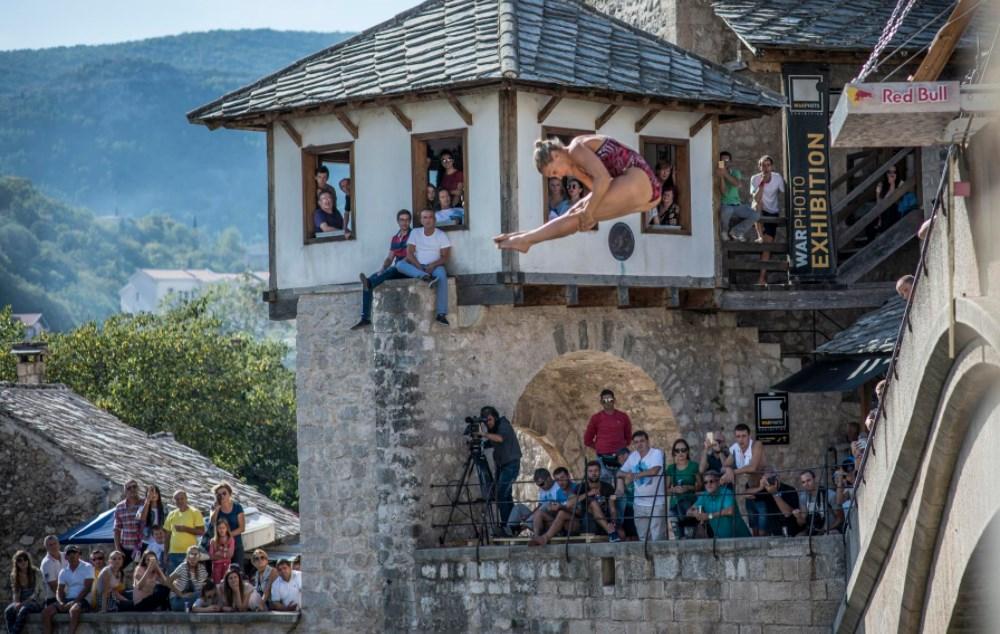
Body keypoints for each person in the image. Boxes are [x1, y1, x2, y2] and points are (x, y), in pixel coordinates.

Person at [494, 135, 661, 252]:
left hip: (641, 179)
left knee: (581, 213)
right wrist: (589, 214)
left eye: (554, 171)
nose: (558, 177)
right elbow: (599, 192)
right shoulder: (575, 168)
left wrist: (589, 213)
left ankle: (527, 240)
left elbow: (603, 180)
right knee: (575, 213)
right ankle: (525, 237)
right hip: (641, 195)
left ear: (556, 155)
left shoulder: (575, 148)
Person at [352, 209, 413, 330]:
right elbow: (390, 257)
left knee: (391, 270)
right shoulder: (395, 238)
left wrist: (396, 266)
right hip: (396, 268)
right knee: (372, 277)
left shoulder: (413, 235)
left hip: (407, 268)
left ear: (410, 221)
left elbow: (411, 255)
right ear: (398, 221)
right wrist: (383, 268)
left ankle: (370, 283)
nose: (404, 222)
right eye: (402, 220)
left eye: (407, 220)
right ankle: (365, 318)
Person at [395, 209, 451, 326]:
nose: (427, 220)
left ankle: (441, 314)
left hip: (435, 266)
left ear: (434, 220)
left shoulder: (441, 235)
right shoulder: (415, 232)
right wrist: (419, 267)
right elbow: (409, 254)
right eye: (424, 217)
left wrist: (433, 265)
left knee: (442, 274)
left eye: (430, 217)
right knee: (400, 264)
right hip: (418, 266)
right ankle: (424, 277)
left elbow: (445, 257)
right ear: (421, 220)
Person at [478, 406, 522, 532]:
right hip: (502, 466)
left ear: (495, 417)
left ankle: (506, 526)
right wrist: (479, 443)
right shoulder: (495, 429)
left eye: (490, 419)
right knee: (505, 496)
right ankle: (512, 525)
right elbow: (493, 442)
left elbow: (500, 438)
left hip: (511, 465)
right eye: (485, 421)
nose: (488, 423)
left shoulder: (503, 424)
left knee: (501, 495)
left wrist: (483, 434)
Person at [618, 431, 666, 541]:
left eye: (642, 441)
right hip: (639, 504)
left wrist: (635, 475)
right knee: (643, 538)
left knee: (658, 538)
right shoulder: (633, 457)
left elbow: (655, 471)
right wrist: (628, 475)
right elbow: (619, 473)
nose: (639, 444)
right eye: (636, 442)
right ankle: (648, 559)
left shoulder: (656, 453)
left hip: (656, 503)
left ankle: (659, 558)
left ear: (648, 441)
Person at [722, 423, 768, 536]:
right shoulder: (735, 449)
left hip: (763, 489)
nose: (741, 439)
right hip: (750, 489)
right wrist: (728, 469)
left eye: (744, 436)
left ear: (749, 436)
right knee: (754, 529)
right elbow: (725, 465)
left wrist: (733, 472)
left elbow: (753, 467)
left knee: (763, 531)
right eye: (738, 436)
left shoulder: (757, 445)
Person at [583, 389, 632, 485]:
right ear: (601, 402)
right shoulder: (596, 418)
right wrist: (599, 447)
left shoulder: (623, 417)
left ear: (614, 400)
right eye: (604, 400)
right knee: (605, 487)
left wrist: (620, 448)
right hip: (603, 459)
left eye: (610, 400)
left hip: (621, 458)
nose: (607, 402)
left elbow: (628, 437)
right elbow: (587, 440)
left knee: (623, 485)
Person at [750, 155, 786, 285]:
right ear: (759, 167)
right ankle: (759, 235)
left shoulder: (777, 178)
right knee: (755, 205)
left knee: (767, 246)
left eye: (768, 165)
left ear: (772, 166)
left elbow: (785, 191)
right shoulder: (755, 178)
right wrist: (762, 183)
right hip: (760, 210)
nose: (765, 168)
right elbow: (756, 198)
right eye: (763, 165)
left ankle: (761, 278)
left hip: (772, 212)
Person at [40, 545, 93, 634]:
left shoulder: (87, 567)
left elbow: (87, 588)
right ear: (65, 557)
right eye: (69, 553)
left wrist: (75, 601)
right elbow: (59, 590)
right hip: (68, 600)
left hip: (84, 600)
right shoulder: (63, 571)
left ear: (79, 554)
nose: (72, 555)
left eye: (74, 553)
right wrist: (61, 602)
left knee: (74, 610)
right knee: (46, 612)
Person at [687, 470, 751, 538]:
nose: (708, 484)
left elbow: (730, 511)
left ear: (718, 482)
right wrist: (696, 513)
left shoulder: (726, 492)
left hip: (740, 538)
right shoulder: (704, 496)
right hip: (721, 540)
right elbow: (688, 512)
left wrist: (709, 516)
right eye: (705, 482)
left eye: (711, 481)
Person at [574, 461, 620, 541]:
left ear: (600, 472)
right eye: (590, 471)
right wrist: (588, 493)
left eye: (596, 471)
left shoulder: (608, 487)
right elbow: (569, 503)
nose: (593, 473)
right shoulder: (580, 487)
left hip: (606, 520)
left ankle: (610, 531)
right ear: (586, 473)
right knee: (593, 503)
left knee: (622, 534)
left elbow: (612, 508)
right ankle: (611, 532)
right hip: (588, 522)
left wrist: (613, 522)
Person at [718, 151, 758, 241]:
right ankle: (724, 232)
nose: (725, 162)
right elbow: (724, 192)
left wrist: (725, 174)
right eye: (722, 160)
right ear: (719, 161)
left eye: (727, 160)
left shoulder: (735, 172)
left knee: (755, 215)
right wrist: (721, 177)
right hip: (726, 204)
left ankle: (736, 232)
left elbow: (738, 184)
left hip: (737, 205)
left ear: (730, 162)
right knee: (727, 211)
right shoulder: (718, 174)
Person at [162, 489, 204, 573]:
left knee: (187, 580)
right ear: (174, 501)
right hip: (173, 553)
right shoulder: (171, 514)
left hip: (189, 554)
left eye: (182, 498)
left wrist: (185, 529)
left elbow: (201, 531)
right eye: (177, 499)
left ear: (186, 499)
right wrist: (166, 553)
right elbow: (167, 536)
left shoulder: (195, 512)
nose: (180, 501)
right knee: (172, 580)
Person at [665, 438, 700, 539]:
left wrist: (688, 488)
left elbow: (701, 486)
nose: (680, 453)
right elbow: (665, 490)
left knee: (689, 538)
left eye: (683, 450)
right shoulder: (671, 468)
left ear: (688, 451)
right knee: (678, 538)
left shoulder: (694, 466)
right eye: (677, 450)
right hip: (674, 506)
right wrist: (674, 489)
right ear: (674, 452)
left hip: (690, 507)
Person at [6, 551, 45, 634]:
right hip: (21, 601)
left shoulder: (36, 572)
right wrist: (16, 602)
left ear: (28, 560)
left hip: (36, 601)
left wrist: (23, 603)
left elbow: (37, 592)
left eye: (25, 559)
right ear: (16, 563)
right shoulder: (14, 575)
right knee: (8, 610)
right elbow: (15, 591)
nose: (23, 562)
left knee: (24, 609)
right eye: (20, 560)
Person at [753, 468, 801, 536]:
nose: (770, 481)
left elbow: (788, 513)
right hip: (774, 532)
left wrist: (774, 494)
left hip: (790, 530)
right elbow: (745, 494)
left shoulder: (790, 490)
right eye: (767, 479)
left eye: (772, 478)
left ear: (777, 476)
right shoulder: (765, 491)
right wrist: (760, 487)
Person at [211, 482, 246, 573]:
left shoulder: (237, 507)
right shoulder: (214, 507)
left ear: (229, 494)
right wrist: (217, 509)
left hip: (236, 544)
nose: (222, 496)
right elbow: (212, 522)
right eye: (219, 494)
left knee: (238, 571)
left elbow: (242, 528)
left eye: (224, 493)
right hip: (220, 546)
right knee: (221, 572)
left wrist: (228, 536)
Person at [794, 469, 843, 535]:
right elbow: (802, 522)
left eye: (808, 480)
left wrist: (827, 529)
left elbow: (840, 518)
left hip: (830, 529)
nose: (806, 484)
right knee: (798, 537)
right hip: (813, 531)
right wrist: (798, 516)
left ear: (815, 479)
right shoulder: (803, 497)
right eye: (803, 482)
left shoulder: (829, 495)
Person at [530, 468, 570, 543]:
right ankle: (534, 535)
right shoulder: (542, 490)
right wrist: (529, 514)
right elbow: (539, 506)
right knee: (519, 508)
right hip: (546, 516)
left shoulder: (559, 487)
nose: (540, 487)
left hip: (556, 517)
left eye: (542, 484)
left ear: (548, 479)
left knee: (543, 507)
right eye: (538, 485)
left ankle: (524, 525)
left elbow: (564, 505)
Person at [113, 479, 145, 567]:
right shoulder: (119, 507)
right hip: (125, 547)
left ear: (138, 488)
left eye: (134, 486)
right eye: (129, 488)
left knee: (141, 573)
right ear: (125, 491)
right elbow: (117, 529)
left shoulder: (145, 503)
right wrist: (118, 549)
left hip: (142, 547)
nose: (132, 489)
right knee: (117, 571)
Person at [168, 545, 208, 612]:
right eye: (191, 554)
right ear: (187, 556)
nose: (193, 557)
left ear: (199, 557)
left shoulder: (201, 568)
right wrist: (181, 594)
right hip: (178, 600)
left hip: (194, 598)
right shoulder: (183, 567)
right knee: (201, 594)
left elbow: (203, 586)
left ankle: (201, 608)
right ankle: (203, 608)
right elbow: (168, 581)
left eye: (196, 555)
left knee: (207, 592)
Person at [614, 447, 638, 539]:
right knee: (630, 534)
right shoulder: (620, 472)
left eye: (624, 455)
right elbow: (619, 490)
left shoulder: (638, 466)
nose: (622, 459)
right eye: (619, 457)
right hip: (629, 505)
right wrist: (613, 496)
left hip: (641, 503)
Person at [39, 535, 68, 606]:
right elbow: (53, 586)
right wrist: (65, 601)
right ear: (46, 547)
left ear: (59, 544)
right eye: (50, 545)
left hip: (70, 596)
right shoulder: (46, 563)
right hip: (55, 599)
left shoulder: (66, 556)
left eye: (55, 543)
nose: (53, 546)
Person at [209, 518, 235, 583]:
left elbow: (230, 555)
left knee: (226, 583)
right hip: (216, 566)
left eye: (223, 528)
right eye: (220, 528)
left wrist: (218, 553)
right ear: (217, 529)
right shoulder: (213, 541)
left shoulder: (230, 539)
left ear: (227, 528)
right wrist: (225, 553)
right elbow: (211, 556)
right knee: (217, 584)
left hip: (227, 565)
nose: (222, 530)